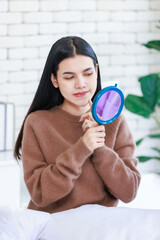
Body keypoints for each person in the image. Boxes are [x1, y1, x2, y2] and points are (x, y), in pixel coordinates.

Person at [14, 36, 141, 214]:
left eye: (88, 74)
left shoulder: (115, 121)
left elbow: (129, 192)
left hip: (99, 228)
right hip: (53, 226)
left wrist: (99, 147)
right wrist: (83, 147)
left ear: (96, 71)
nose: (81, 84)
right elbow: (40, 194)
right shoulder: (37, 122)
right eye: (69, 77)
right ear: (54, 80)